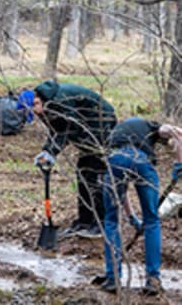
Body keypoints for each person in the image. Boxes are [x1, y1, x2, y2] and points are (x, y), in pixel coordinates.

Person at [101, 117, 182, 295]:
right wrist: (179, 162)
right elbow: (177, 133)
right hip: (142, 161)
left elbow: (122, 193)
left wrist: (131, 217)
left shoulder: (116, 134)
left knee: (111, 220)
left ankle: (112, 278)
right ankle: (153, 279)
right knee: (152, 221)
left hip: (115, 161)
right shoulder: (151, 125)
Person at [32, 80, 117, 238]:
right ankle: (84, 221)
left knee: (93, 172)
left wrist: (53, 152)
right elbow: (56, 129)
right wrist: (46, 151)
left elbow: (70, 129)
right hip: (85, 127)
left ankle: (101, 224)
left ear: (41, 100)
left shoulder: (62, 102)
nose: (35, 111)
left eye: (35, 105)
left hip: (99, 123)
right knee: (82, 172)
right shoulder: (46, 105)